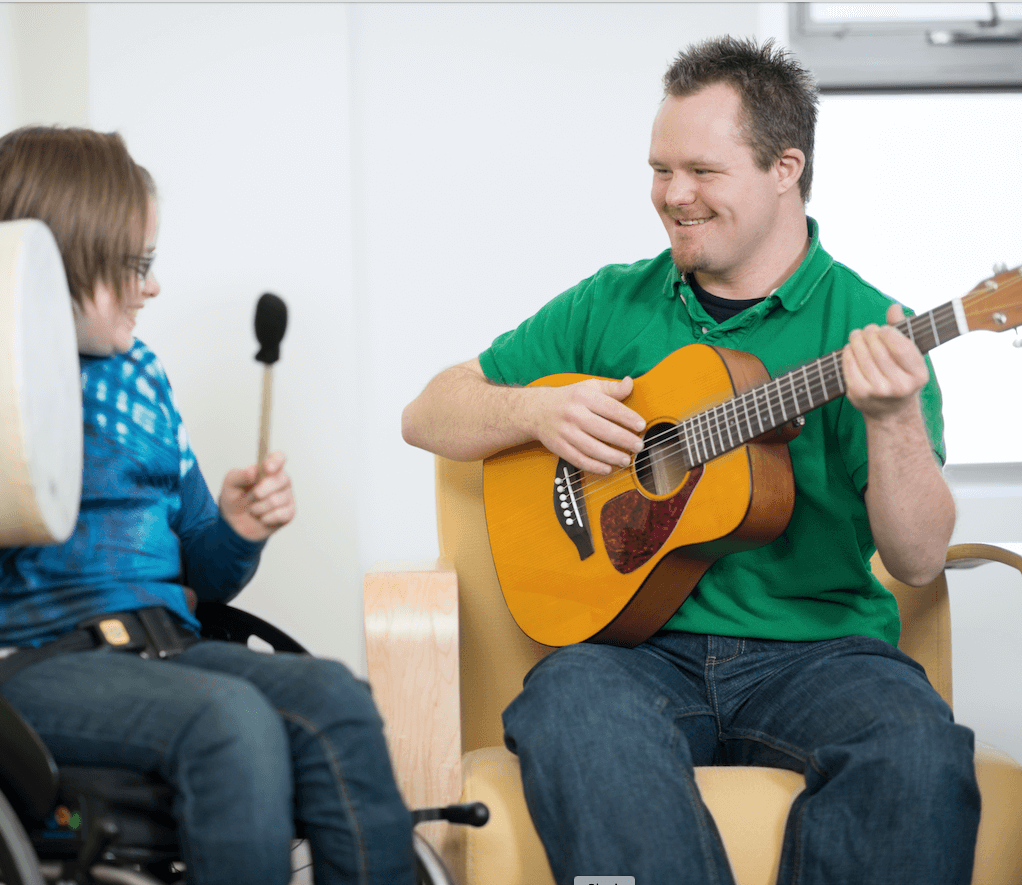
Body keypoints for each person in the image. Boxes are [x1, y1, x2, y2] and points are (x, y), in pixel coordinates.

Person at [401, 36, 978, 885]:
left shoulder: (867, 326)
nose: (672, 196)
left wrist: (891, 420)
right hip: (632, 651)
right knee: (569, 706)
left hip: (819, 654)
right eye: (658, 169)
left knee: (915, 744)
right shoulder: (611, 300)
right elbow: (428, 412)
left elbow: (918, 557)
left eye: (702, 172)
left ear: (785, 167)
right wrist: (536, 408)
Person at [0, 125, 415, 885]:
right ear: (57, 268)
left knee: (336, 699)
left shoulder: (140, 378)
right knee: (230, 725)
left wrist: (233, 529)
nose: (152, 286)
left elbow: (197, 566)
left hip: (161, 647)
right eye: (134, 266)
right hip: (17, 668)